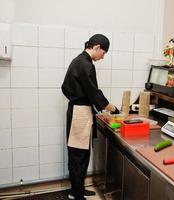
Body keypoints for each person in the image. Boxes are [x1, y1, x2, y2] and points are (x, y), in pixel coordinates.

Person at [61, 34, 119, 200]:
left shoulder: (78, 61)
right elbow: (94, 93)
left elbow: (65, 88)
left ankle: (76, 190)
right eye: (104, 52)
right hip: (80, 113)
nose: (103, 56)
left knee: (78, 154)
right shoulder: (85, 64)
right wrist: (112, 108)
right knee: (79, 155)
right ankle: (77, 195)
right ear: (96, 47)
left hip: (78, 111)